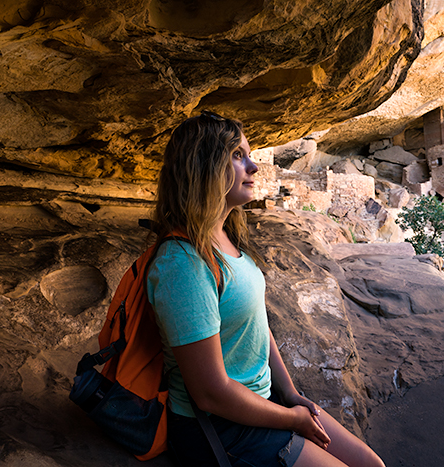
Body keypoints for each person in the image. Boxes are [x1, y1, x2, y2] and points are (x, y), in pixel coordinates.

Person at [146, 111, 386, 467]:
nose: (254, 167)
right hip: (220, 427)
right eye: (237, 156)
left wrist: (289, 393)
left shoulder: (226, 239)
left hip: (261, 403)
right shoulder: (182, 263)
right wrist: (292, 419)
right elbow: (211, 393)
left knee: (371, 464)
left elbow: (256, 324)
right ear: (204, 168)